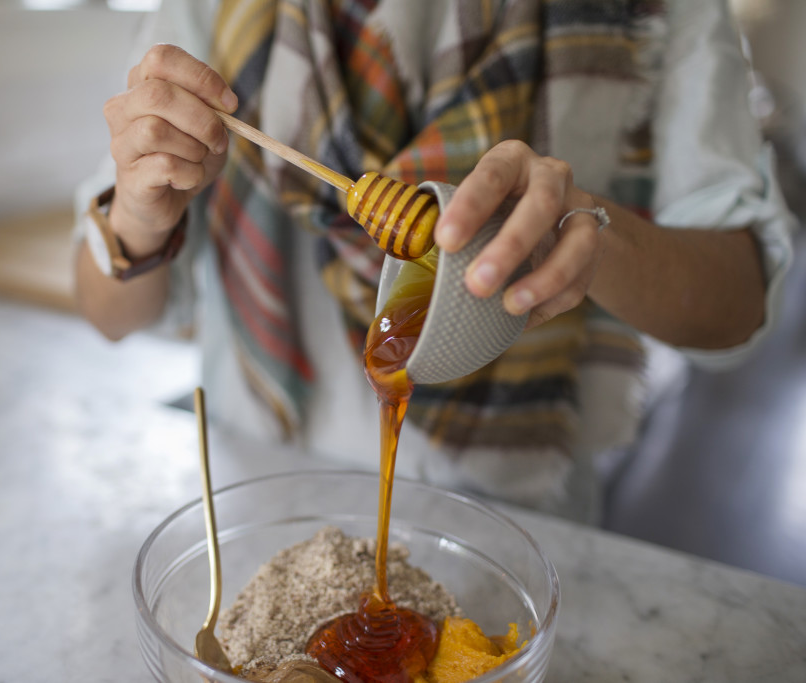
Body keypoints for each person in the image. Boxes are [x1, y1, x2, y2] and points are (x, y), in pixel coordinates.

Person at [73, 0, 796, 523]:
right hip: (260, 499)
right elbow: (109, 314)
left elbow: (737, 309)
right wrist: (138, 216)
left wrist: (591, 238)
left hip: (514, 523)